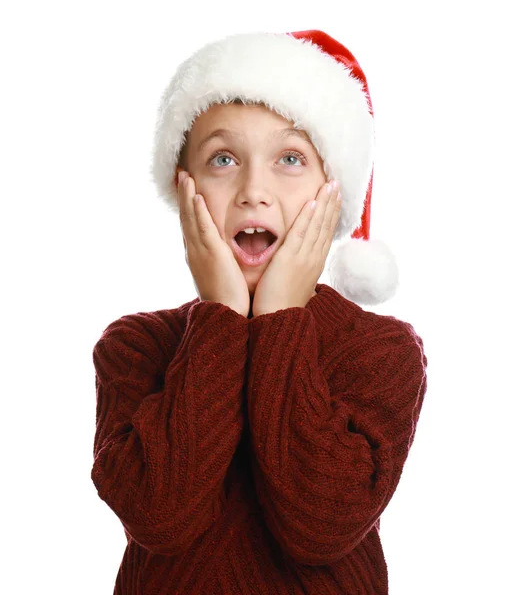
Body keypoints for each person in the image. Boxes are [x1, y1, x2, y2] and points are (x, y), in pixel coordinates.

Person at [91, 29, 428, 594]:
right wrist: (222, 317)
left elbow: (320, 527)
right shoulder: (136, 346)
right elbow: (160, 515)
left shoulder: (383, 352)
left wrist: (278, 321)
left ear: (334, 191)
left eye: (290, 158)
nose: (253, 190)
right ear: (184, 187)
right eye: (223, 159)